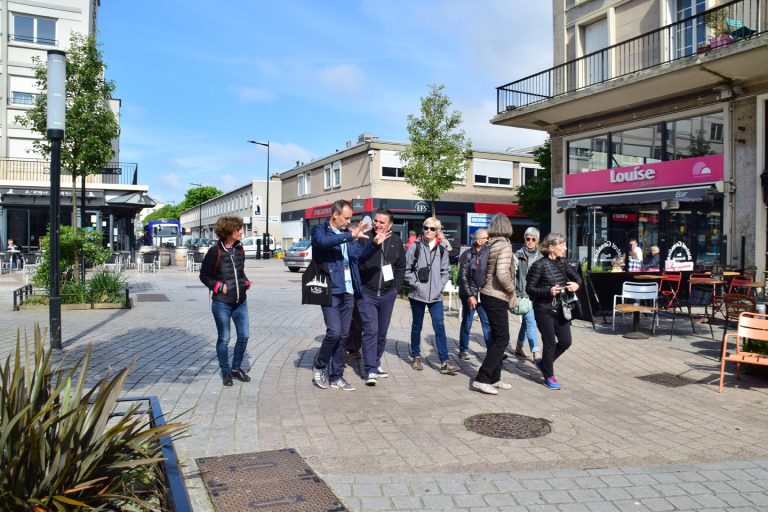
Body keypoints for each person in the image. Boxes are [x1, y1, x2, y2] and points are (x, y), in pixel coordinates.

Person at [310, 200, 371, 391]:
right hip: (330, 287)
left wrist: (374, 245)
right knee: (334, 332)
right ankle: (319, 365)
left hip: (348, 290)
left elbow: (359, 256)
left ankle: (337, 376)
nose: (348, 221)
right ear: (334, 215)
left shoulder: (348, 234)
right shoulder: (320, 230)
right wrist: (348, 236)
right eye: (345, 218)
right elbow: (323, 243)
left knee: (344, 335)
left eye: (350, 218)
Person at [199, 216, 252, 387]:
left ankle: (236, 368)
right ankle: (226, 371)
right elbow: (203, 276)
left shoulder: (239, 249)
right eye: (238, 229)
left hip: (240, 301)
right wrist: (217, 286)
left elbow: (239, 272)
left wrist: (245, 281)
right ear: (229, 231)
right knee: (224, 338)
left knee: (244, 336)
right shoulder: (215, 251)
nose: (241, 232)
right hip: (221, 303)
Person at [526, 232, 582, 390]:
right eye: (562, 245)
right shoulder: (539, 265)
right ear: (551, 247)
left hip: (562, 309)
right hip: (543, 309)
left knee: (566, 341)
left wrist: (576, 285)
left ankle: (544, 364)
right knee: (549, 342)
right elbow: (529, 289)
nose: (565, 248)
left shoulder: (563, 262)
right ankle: (549, 375)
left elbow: (577, 277)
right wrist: (548, 291)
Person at [357, 207, 406, 386]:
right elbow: (359, 259)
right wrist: (374, 244)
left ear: (390, 225)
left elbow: (401, 267)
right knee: (371, 330)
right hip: (367, 293)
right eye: (375, 221)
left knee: (382, 332)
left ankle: (376, 362)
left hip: (387, 295)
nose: (377, 224)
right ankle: (370, 369)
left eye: (381, 222)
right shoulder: (365, 238)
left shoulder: (397, 241)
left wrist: (395, 289)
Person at [405, 216, 459, 375]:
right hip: (417, 295)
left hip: (435, 296)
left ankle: (444, 362)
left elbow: (445, 272)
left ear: (438, 232)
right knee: (417, 326)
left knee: (440, 327)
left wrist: (439, 287)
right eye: (425, 227)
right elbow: (407, 271)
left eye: (432, 229)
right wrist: (415, 284)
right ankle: (416, 356)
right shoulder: (414, 247)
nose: (428, 230)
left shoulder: (442, 249)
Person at [471, 214, 517, 395]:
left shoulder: (490, 244)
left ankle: (495, 378)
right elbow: (502, 273)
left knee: (497, 337)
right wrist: (512, 290)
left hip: (486, 293)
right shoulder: (504, 245)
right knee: (502, 338)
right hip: (497, 294)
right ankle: (482, 378)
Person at [457, 229, 492, 360]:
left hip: (482, 293)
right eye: (486, 238)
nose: (488, 240)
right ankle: (463, 349)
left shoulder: (488, 253)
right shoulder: (467, 254)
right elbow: (463, 277)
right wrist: (470, 295)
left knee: (486, 322)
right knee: (467, 321)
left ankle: (492, 350)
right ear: (478, 241)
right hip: (469, 294)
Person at [514, 227, 542, 363]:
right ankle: (536, 352)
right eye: (528, 239)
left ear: (537, 241)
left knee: (526, 322)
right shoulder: (518, 255)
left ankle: (519, 346)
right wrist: (514, 291)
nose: (530, 241)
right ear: (524, 239)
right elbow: (513, 275)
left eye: (533, 239)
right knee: (531, 322)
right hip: (523, 294)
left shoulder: (541, 257)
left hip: (537, 294)